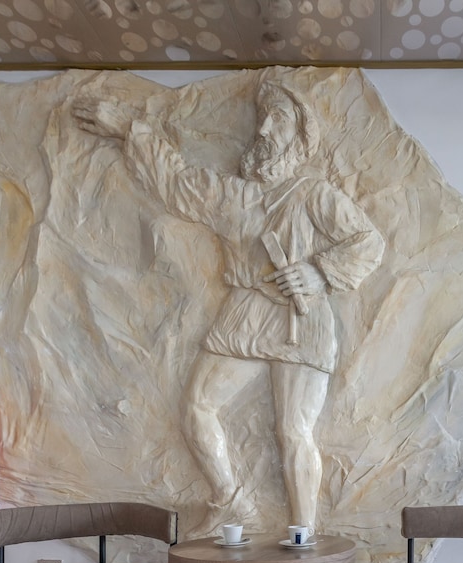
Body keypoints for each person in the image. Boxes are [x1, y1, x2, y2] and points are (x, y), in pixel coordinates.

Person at [73, 77, 384, 532]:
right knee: (196, 406)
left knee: (293, 431)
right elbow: (176, 182)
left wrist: (319, 272)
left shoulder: (314, 195)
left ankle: (303, 534)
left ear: (300, 138)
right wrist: (130, 129)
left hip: (301, 315)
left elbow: (368, 242)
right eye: (262, 118)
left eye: (278, 119)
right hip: (246, 314)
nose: (263, 130)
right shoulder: (233, 196)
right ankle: (231, 500)